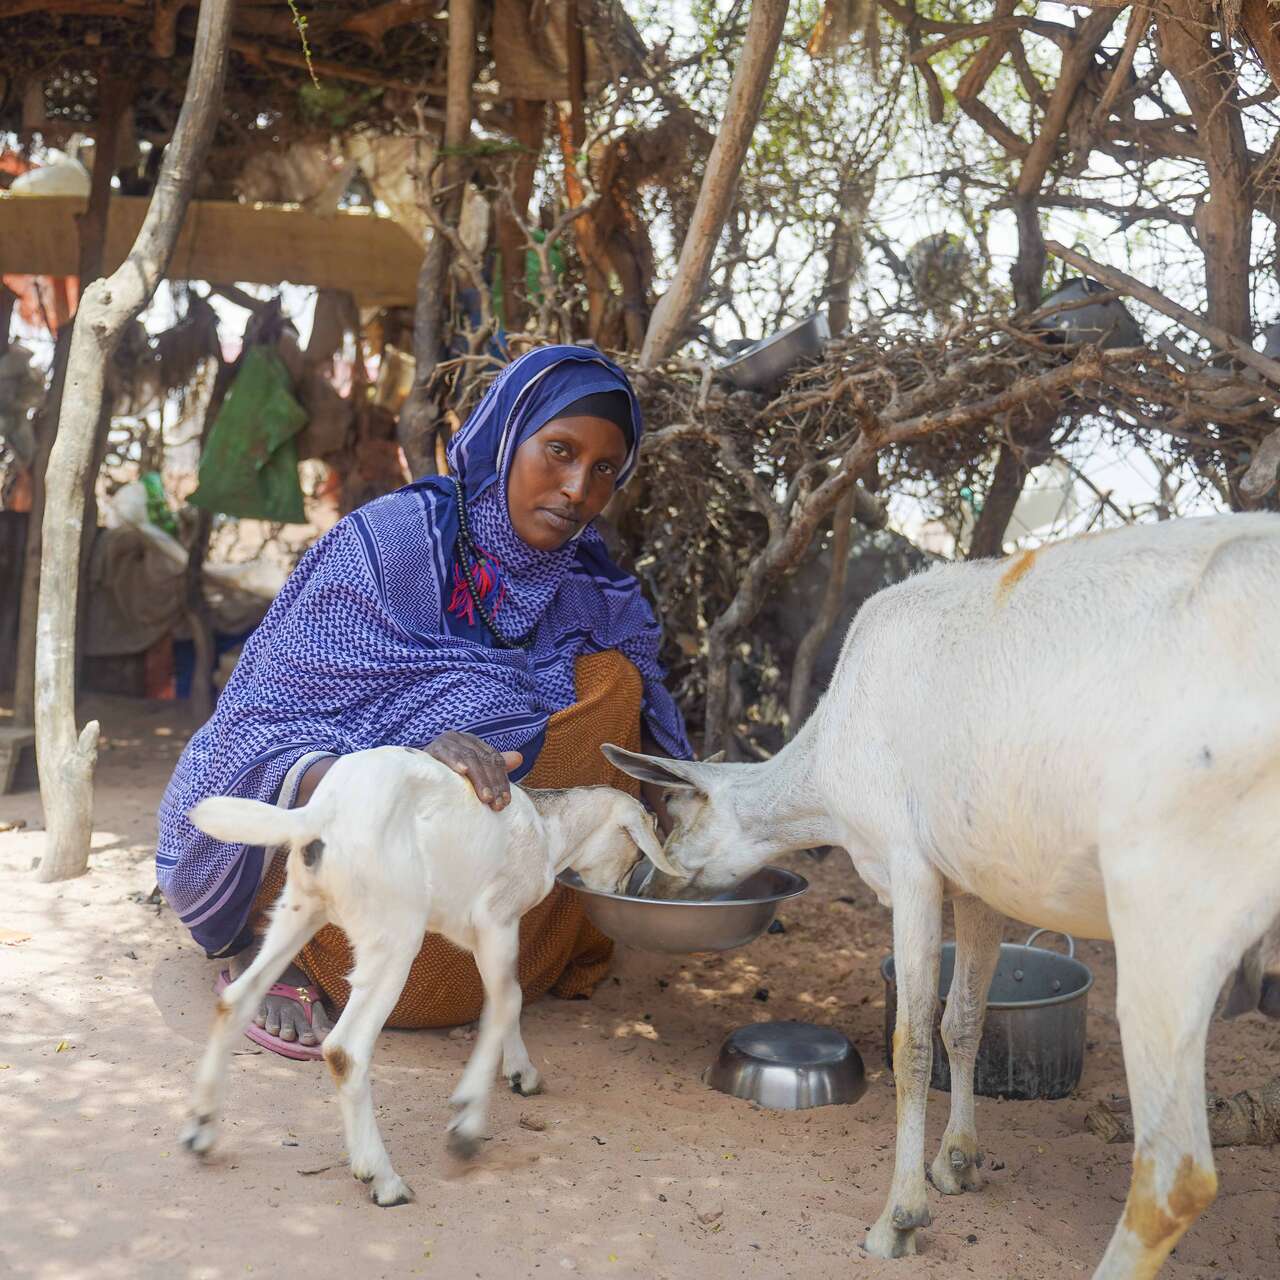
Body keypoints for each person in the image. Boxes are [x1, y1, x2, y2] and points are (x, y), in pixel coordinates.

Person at [157, 344, 691, 1058]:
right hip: (331, 819)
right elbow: (265, 719)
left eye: (603, 470)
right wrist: (403, 762)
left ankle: (529, 941)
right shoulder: (395, 542)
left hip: (463, 853)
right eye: (558, 452)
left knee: (610, 685)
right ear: (505, 440)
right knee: (464, 725)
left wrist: (683, 821)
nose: (577, 490)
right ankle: (279, 945)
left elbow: (637, 719)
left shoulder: (582, 582)